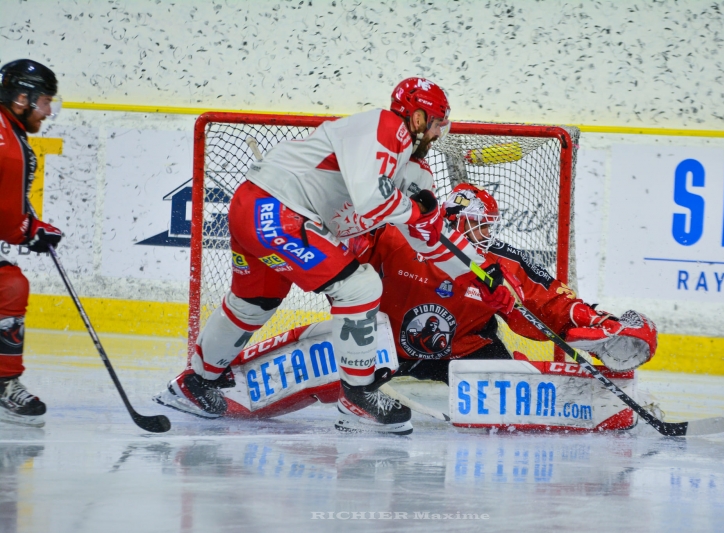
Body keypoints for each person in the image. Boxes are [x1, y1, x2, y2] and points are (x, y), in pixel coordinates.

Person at [158, 78, 516, 435]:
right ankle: (359, 397)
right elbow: (372, 200)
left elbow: (428, 237)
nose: (439, 134)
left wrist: (481, 273)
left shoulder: (414, 168)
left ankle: (194, 386)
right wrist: (415, 211)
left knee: (254, 302)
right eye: (437, 123)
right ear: (418, 119)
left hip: (255, 209)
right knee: (360, 288)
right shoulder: (387, 126)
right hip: (275, 210)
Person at [350, 182, 658, 384]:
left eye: (489, 229)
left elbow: (548, 302)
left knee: (515, 385)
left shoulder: (501, 262)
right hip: (387, 352)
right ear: (454, 220)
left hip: (464, 354)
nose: (486, 237)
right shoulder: (396, 236)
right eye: (479, 227)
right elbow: (345, 262)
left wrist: (594, 321)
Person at [0, 59, 63, 427]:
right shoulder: (10, 144)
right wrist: (31, 231)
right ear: (22, 97)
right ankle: (4, 385)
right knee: (9, 286)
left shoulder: (9, 131)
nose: (48, 112)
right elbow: (9, 221)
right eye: (45, 102)